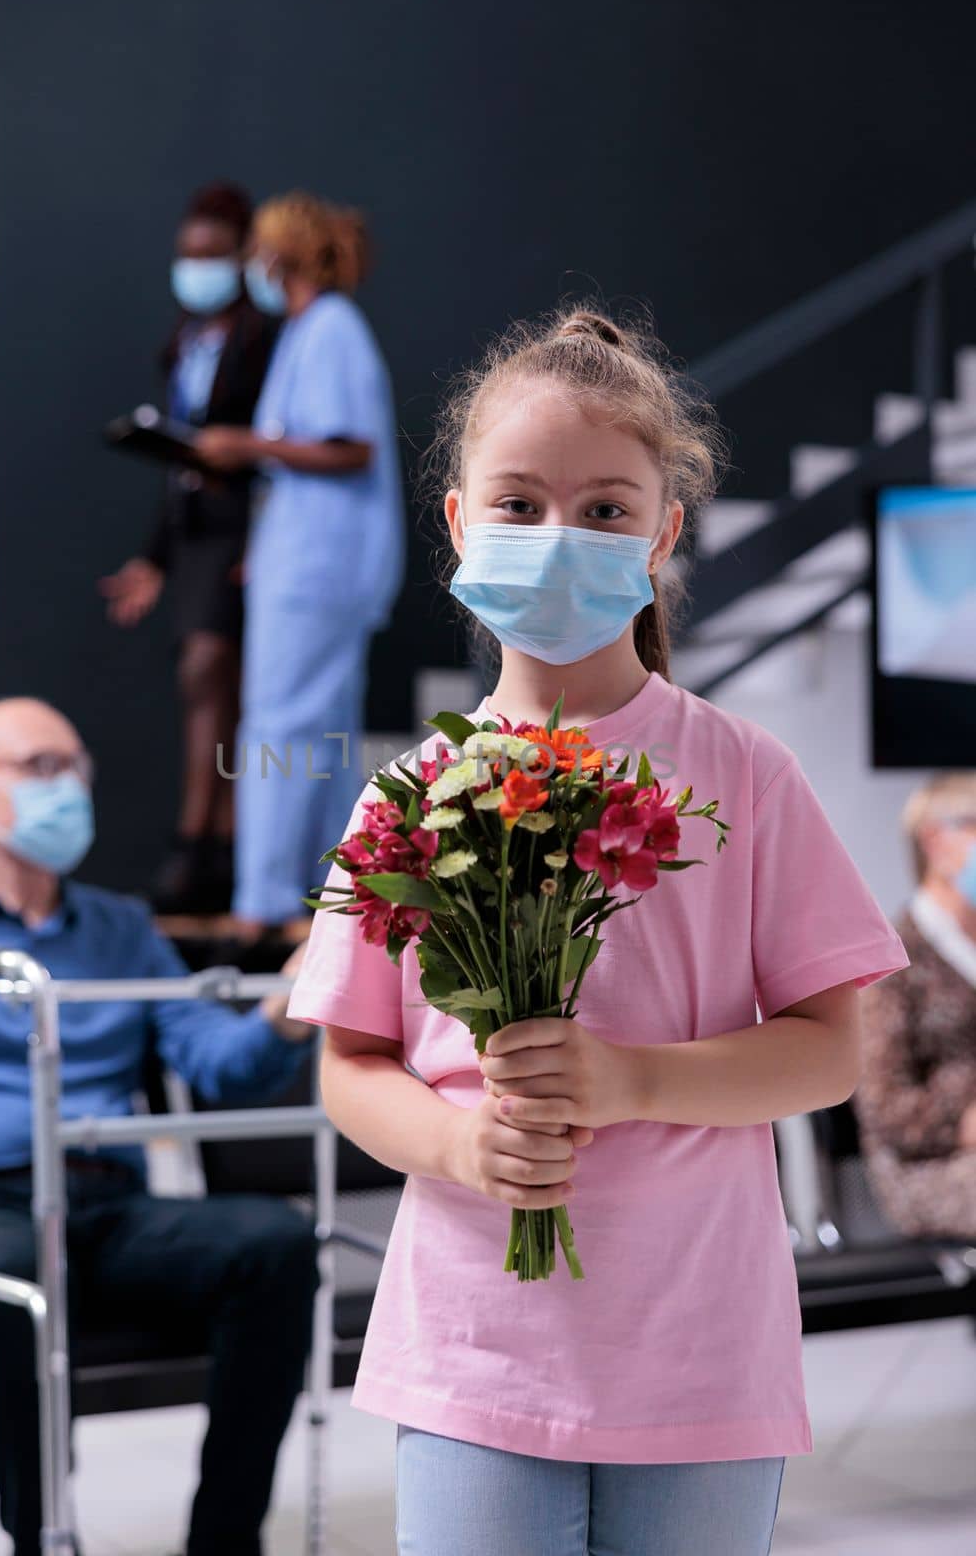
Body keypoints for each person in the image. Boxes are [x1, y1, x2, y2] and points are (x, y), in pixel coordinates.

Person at [284, 306, 910, 1556]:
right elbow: (350, 1064)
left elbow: (829, 1051)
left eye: (606, 508)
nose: (557, 536)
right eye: (516, 503)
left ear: (664, 535)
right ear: (459, 524)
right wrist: (464, 1149)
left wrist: (632, 1078)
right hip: (475, 1345)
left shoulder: (743, 774)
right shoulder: (407, 796)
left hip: (701, 1350)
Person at [0, 697, 317, 1556]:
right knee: (9, 1268)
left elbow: (211, 1059)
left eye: (76, 767)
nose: (71, 788)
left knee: (273, 1243)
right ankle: (43, 1539)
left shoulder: (121, 929)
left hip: (107, 1206)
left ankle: (225, 1541)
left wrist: (283, 1015)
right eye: (42, 767)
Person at [193, 190, 405, 952]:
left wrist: (244, 448)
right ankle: (332, 892)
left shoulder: (332, 331)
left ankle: (264, 899)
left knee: (281, 727)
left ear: (276, 254)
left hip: (322, 564)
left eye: (255, 249)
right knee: (323, 733)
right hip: (306, 556)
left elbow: (352, 447)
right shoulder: (311, 332)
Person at [99, 182, 282, 916]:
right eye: (188, 255)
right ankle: (205, 843)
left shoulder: (264, 340)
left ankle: (215, 844)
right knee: (205, 683)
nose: (198, 268)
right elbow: (182, 465)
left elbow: (273, 450)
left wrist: (265, 537)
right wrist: (154, 558)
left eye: (213, 255)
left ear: (241, 259)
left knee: (225, 681)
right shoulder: (184, 343)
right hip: (198, 535)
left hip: (247, 531)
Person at [853, 771, 976, 1236]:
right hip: (933, 1170)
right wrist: (965, 1122)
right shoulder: (891, 960)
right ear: (934, 841)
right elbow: (888, 1110)